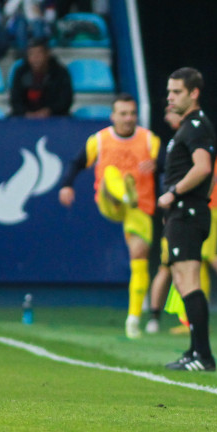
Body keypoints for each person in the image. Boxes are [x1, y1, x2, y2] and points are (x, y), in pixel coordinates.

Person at [146, 107, 217, 334]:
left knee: (210, 264)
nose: (168, 116)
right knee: (173, 268)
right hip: (183, 215)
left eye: (171, 112)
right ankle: (160, 317)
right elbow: (169, 182)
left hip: (208, 213)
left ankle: (212, 317)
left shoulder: (201, 148)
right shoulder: (175, 149)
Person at [59, 93, 160, 339]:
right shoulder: (101, 140)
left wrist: (159, 165)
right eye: (123, 114)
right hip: (109, 201)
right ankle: (124, 193)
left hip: (140, 205)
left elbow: (168, 164)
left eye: (132, 114)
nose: (128, 119)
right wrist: (66, 185)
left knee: (139, 255)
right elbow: (77, 162)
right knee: (112, 173)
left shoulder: (149, 140)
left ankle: (133, 319)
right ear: (113, 116)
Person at [159, 67, 217, 372]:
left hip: (188, 212)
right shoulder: (187, 126)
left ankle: (203, 356)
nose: (170, 97)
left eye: (176, 92)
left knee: (189, 282)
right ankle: (194, 351)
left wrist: (173, 193)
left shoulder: (196, 125)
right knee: (182, 282)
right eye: (169, 91)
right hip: (183, 213)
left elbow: (203, 167)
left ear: (193, 93)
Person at [8, 37, 72, 117]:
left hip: (54, 117)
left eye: (39, 53)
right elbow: (15, 100)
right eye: (31, 54)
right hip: (25, 118)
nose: (35, 58)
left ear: (47, 54)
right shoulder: (20, 72)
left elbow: (65, 99)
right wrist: (26, 113)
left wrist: (49, 111)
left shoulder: (60, 72)